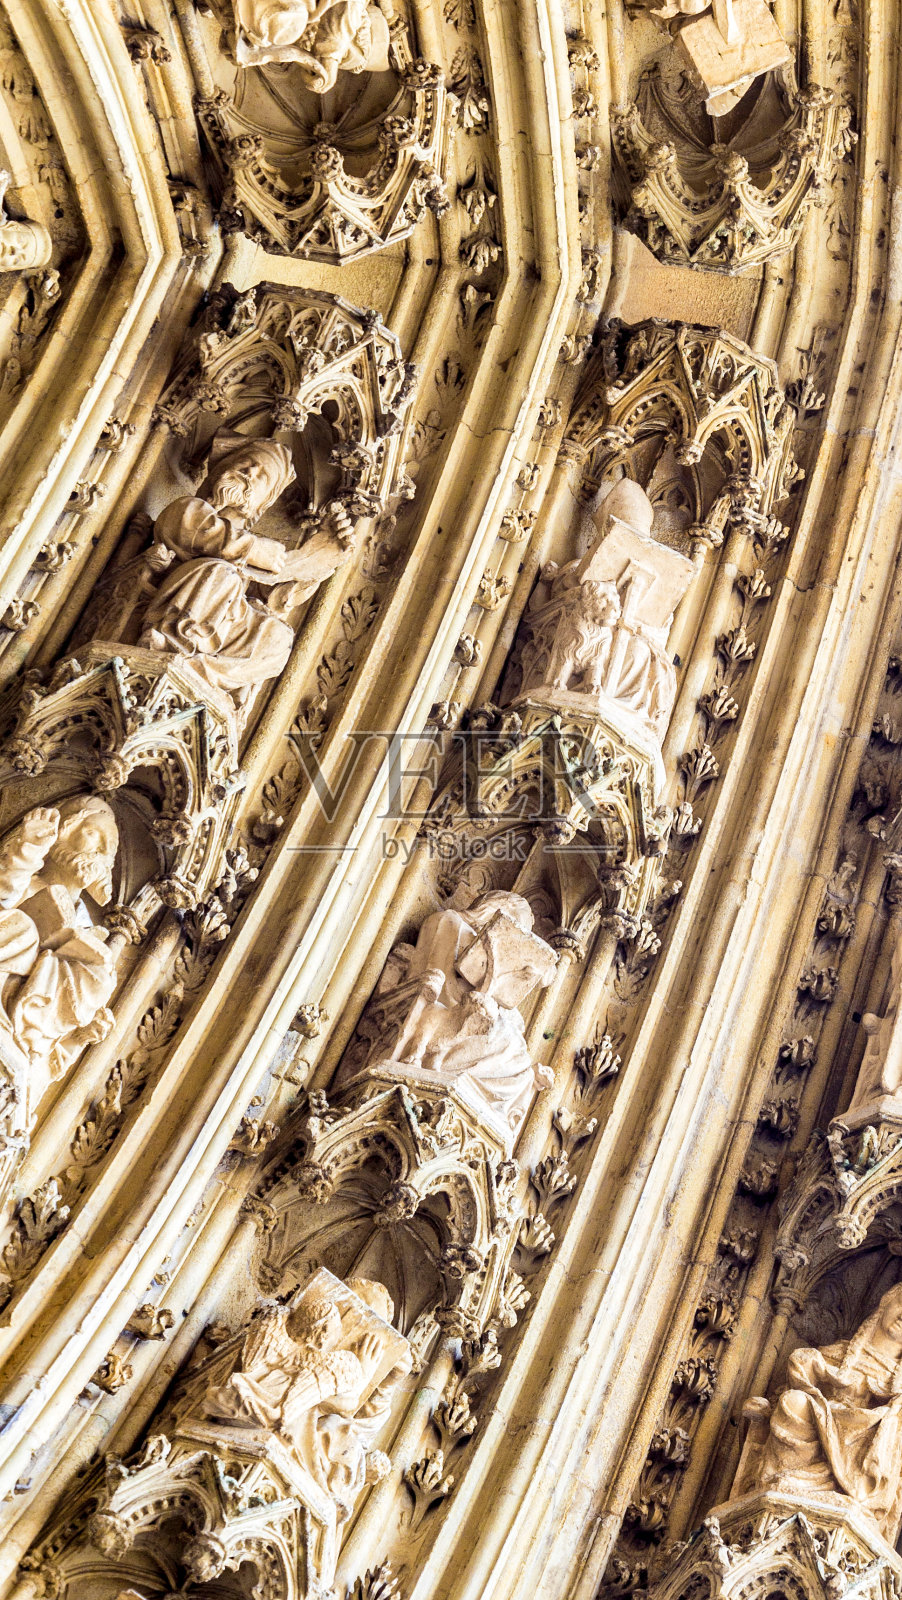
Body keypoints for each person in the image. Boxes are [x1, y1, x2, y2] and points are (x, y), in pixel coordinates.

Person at [139, 438, 351, 723]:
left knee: (278, 637)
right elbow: (200, 532)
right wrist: (254, 550)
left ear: (263, 502)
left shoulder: (252, 549)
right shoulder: (190, 508)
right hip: (179, 595)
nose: (250, 473)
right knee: (220, 573)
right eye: (245, 464)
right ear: (219, 470)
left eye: (261, 475)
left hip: (223, 623)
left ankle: (202, 672)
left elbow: (281, 591)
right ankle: (174, 645)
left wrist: (322, 556)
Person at [755, 1283, 902, 1537]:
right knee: (793, 1402)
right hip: (822, 1426)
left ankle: (854, 1496)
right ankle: (795, 1480)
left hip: (867, 1446)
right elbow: (805, 1375)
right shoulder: (842, 1352)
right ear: (885, 1303)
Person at [0, 798, 120, 1085]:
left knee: (102, 976)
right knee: (23, 928)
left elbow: (49, 1066)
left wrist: (79, 1037)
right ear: (64, 831)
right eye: (94, 834)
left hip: (23, 1051)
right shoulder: (25, 880)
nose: (102, 851)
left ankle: (24, 1032)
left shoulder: (92, 934)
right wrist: (29, 848)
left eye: (108, 846)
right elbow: (4, 893)